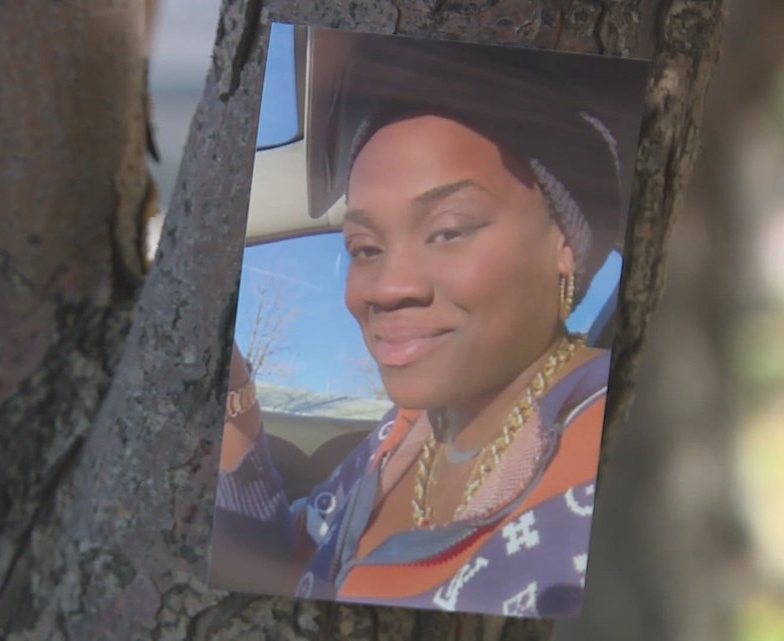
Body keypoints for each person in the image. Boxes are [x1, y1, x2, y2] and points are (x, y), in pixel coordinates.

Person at [211, 33, 633, 618]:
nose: (385, 289)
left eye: (449, 231)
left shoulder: (608, 462)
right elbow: (286, 566)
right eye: (364, 248)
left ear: (564, 243)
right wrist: (232, 391)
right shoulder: (406, 434)